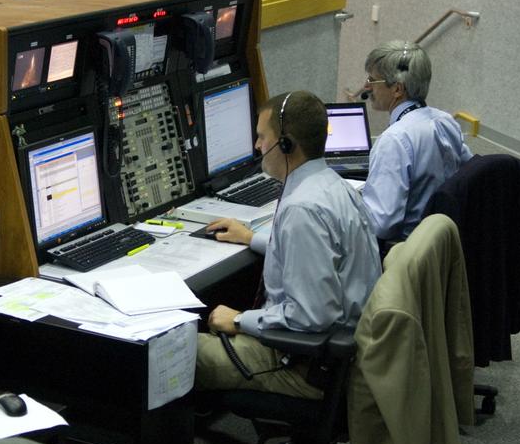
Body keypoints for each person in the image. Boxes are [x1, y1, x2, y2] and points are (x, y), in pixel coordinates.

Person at [195, 90, 381, 398]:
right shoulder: (334, 186)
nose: (257, 146)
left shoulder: (301, 210)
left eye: (261, 137)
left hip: (303, 367)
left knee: (174, 352)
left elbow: (312, 316)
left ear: (286, 145)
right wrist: (251, 237)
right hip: (342, 353)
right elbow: (320, 254)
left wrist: (239, 320)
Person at [360, 40, 472, 243]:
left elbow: (381, 224)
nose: (366, 87)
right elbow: (469, 172)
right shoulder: (446, 121)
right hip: (444, 242)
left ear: (397, 89)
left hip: (405, 254)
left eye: (372, 80)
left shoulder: (394, 140)